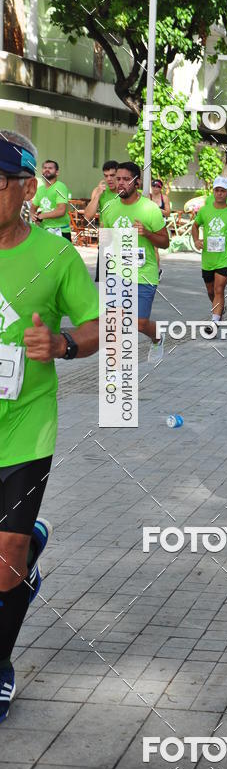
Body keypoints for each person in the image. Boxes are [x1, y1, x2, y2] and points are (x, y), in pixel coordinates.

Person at [0, 129, 99, 723]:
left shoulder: (56, 256)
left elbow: (97, 326)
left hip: (25, 424)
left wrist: (62, 344)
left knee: (6, 558)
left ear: (27, 189)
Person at [102, 161, 169, 363]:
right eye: (118, 179)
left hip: (144, 273)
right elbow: (106, 238)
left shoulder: (150, 209)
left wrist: (147, 233)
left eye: (126, 179)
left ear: (136, 182)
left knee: (139, 323)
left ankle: (157, 336)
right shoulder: (109, 207)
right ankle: (116, 368)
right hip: (117, 272)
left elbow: (165, 242)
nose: (120, 183)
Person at [192, 175, 227, 322]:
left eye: (223, 191)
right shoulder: (204, 211)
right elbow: (195, 226)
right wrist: (196, 240)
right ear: (213, 192)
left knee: (219, 289)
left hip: (224, 258)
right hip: (208, 259)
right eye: (217, 190)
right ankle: (219, 308)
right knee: (211, 291)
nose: (219, 193)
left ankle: (214, 321)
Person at [83, 160, 120, 282]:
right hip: (107, 239)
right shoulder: (99, 191)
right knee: (104, 283)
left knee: (124, 284)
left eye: (112, 175)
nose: (109, 179)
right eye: (106, 176)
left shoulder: (126, 191)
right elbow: (88, 216)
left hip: (125, 239)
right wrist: (98, 195)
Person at [30, 160, 72, 241]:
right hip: (44, 231)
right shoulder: (40, 189)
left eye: (50, 168)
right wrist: (32, 215)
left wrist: (42, 216)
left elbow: (61, 211)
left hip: (60, 231)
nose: (47, 170)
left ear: (57, 172)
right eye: (45, 168)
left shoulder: (60, 187)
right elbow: (33, 208)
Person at [149, 178, 171, 279]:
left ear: (160, 188)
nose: (155, 188)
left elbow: (168, 213)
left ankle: (157, 271)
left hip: (159, 224)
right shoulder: (148, 197)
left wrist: (157, 209)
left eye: (157, 186)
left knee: (155, 249)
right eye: (153, 186)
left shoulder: (164, 198)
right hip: (148, 222)